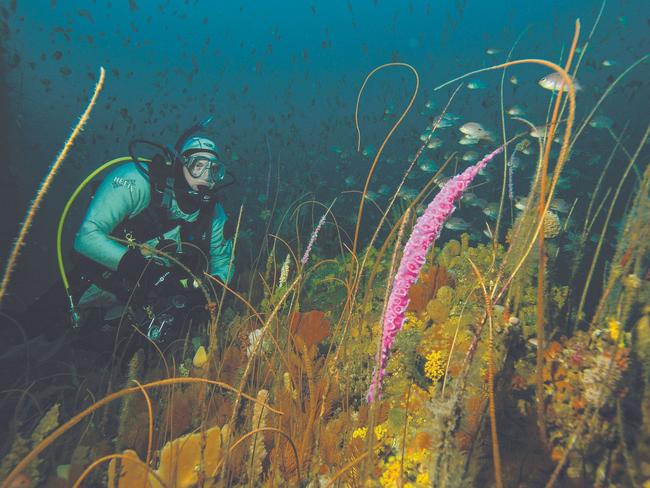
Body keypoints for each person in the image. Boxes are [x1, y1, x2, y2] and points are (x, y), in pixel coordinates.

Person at [69, 133, 235, 341]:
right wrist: (147, 272)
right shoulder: (137, 181)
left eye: (214, 170)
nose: (206, 176)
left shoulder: (215, 216)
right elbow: (85, 237)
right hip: (94, 283)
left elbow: (224, 261)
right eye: (197, 165)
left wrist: (210, 289)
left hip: (143, 309)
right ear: (179, 164)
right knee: (40, 330)